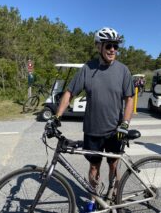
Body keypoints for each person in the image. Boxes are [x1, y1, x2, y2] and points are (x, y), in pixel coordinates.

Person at [48, 27, 134, 212]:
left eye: (116, 46)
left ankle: (114, 196)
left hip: (114, 130)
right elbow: (69, 92)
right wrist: (56, 117)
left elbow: (129, 99)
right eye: (109, 45)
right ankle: (92, 198)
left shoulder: (123, 71)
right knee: (94, 168)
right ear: (98, 47)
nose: (113, 50)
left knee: (114, 166)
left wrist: (125, 124)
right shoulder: (87, 69)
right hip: (93, 130)